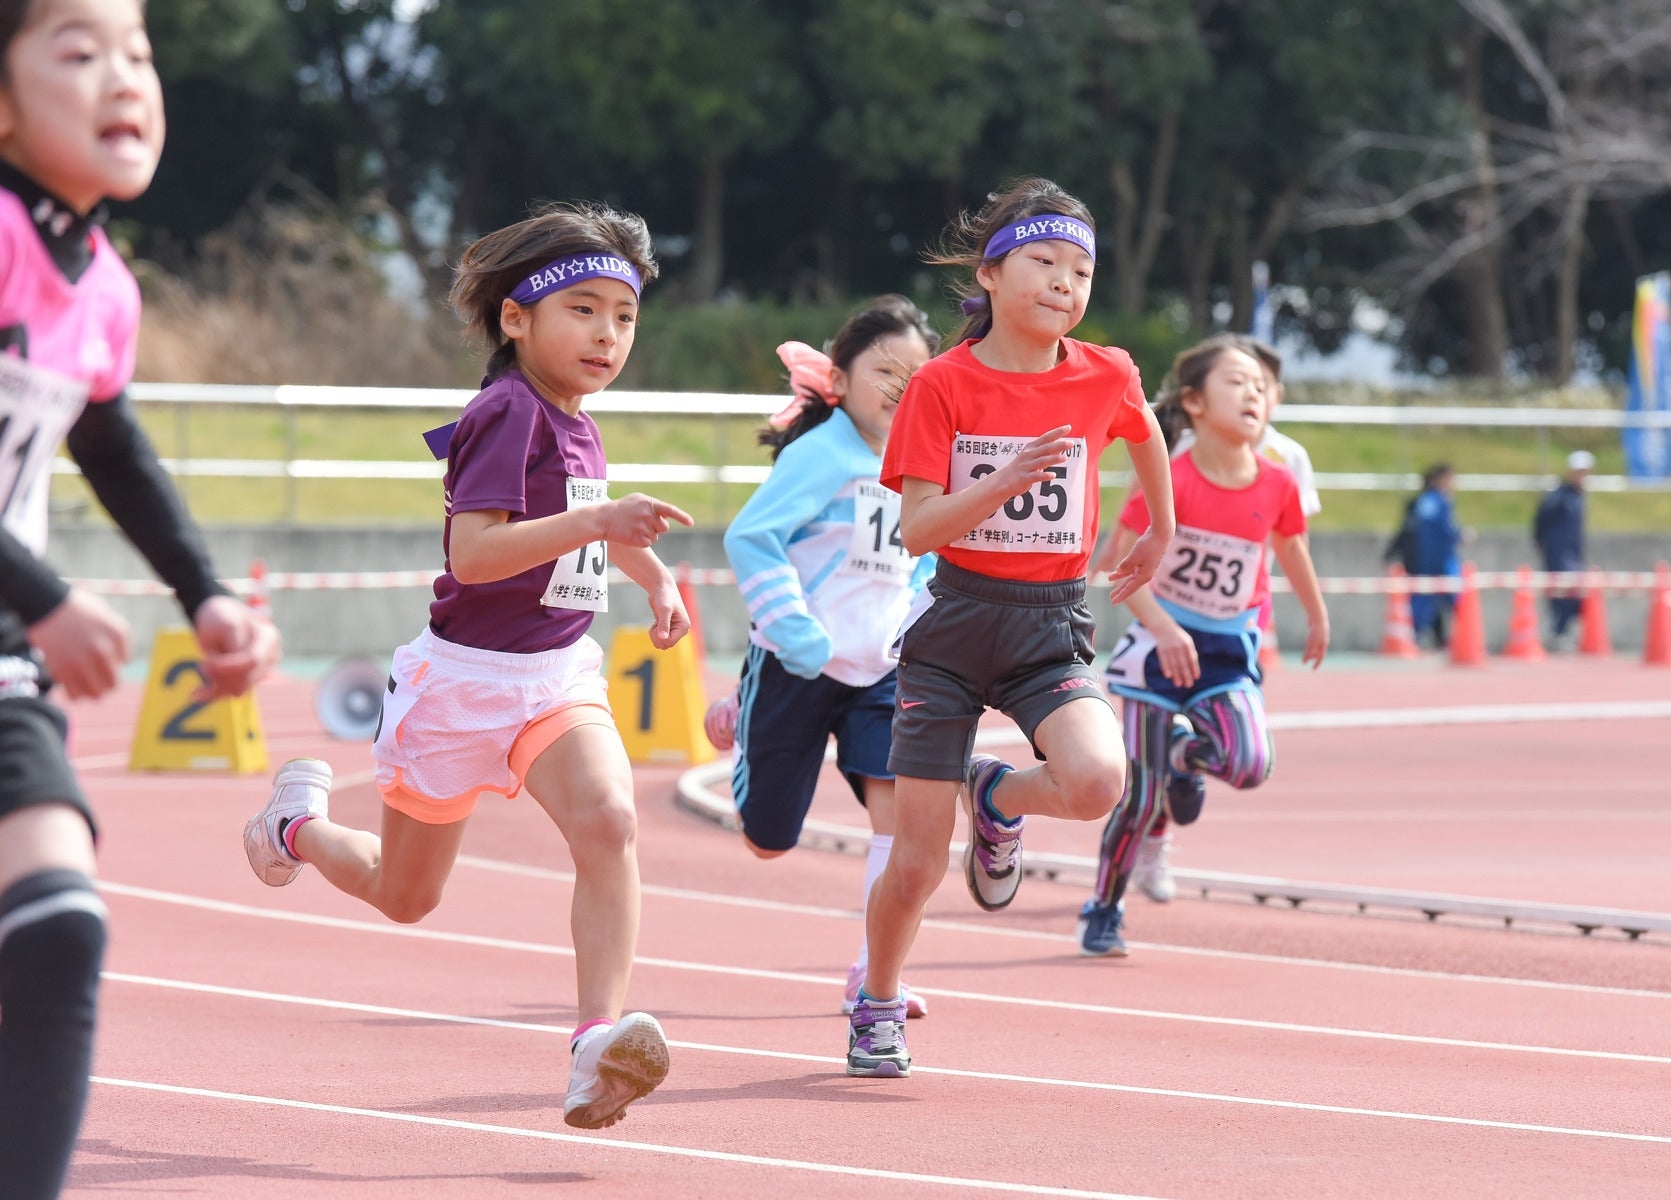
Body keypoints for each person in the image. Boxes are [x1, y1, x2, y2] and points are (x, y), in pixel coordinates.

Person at [242, 203, 694, 1130]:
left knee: (610, 820)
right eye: (586, 310)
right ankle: (299, 827)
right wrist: (602, 526)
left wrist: (654, 579)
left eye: (626, 315)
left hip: (553, 680)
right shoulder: (504, 412)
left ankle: (593, 1045)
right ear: (517, 319)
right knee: (407, 897)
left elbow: (585, 524)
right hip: (459, 686)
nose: (608, 334)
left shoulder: (576, 421)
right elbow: (478, 555)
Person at [1, 2, 280, 1194]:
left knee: (59, 927)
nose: (122, 75)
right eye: (77, 50)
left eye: (139, 52)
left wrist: (205, 594)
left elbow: (108, 442)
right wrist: (48, 598)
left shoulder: (101, 285)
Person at [847, 177, 1175, 1078]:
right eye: (1044, 262)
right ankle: (876, 1000)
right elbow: (916, 529)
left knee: (1100, 777)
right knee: (915, 863)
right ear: (991, 274)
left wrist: (1163, 526)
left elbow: (1144, 434)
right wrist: (1003, 481)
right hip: (954, 625)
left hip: (1048, 625)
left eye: (1082, 270)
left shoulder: (1106, 370)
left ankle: (994, 798)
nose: (1065, 283)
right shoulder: (942, 386)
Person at [705, 296, 939, 1018]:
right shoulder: (822, 454)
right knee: (769, 840)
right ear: (840, 379)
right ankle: (745, 713)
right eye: (884, 370)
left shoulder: (924, 463)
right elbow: (751, 539)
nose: (899, 387)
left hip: (880, 672)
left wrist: (919, 630)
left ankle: (876, 974)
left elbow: (929, 558)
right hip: (796, 665)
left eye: (915, 375)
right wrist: (799, 633)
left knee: (899, 823)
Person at [1080, 335, 1328, 955]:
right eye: (1236, 382)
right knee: (1137, 799)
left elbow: (1292, 551)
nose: (1253, 393)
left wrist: (1317, 616)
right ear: (1192, 402)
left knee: (1249, 763)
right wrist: (1163, 626)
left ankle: (1186, 762)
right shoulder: (1172, 481)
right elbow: (1122, 571)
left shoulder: (1276, 483)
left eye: (1260, 386)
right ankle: (1104, 908)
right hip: (1158, 653)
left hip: (1226, 654)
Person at [1386, 464, 1462, 649]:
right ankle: (1420, 637)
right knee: (1453, 599)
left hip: (1423, 560)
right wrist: (1459, 535)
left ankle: (1431, 638)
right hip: (1438, 560)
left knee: (1428, 600)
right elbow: (1443, 531)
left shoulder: (1421, 502)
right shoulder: (1439, 502)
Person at [1534, 449, 1592, 651]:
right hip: (1559, 554)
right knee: (1564, 593)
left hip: (1573, 554)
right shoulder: (1559, 496)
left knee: (1576, 595)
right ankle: (1558, 633)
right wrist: (1541, 541)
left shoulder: (1579, 497)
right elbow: (1541, 519)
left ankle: (1562, 632)